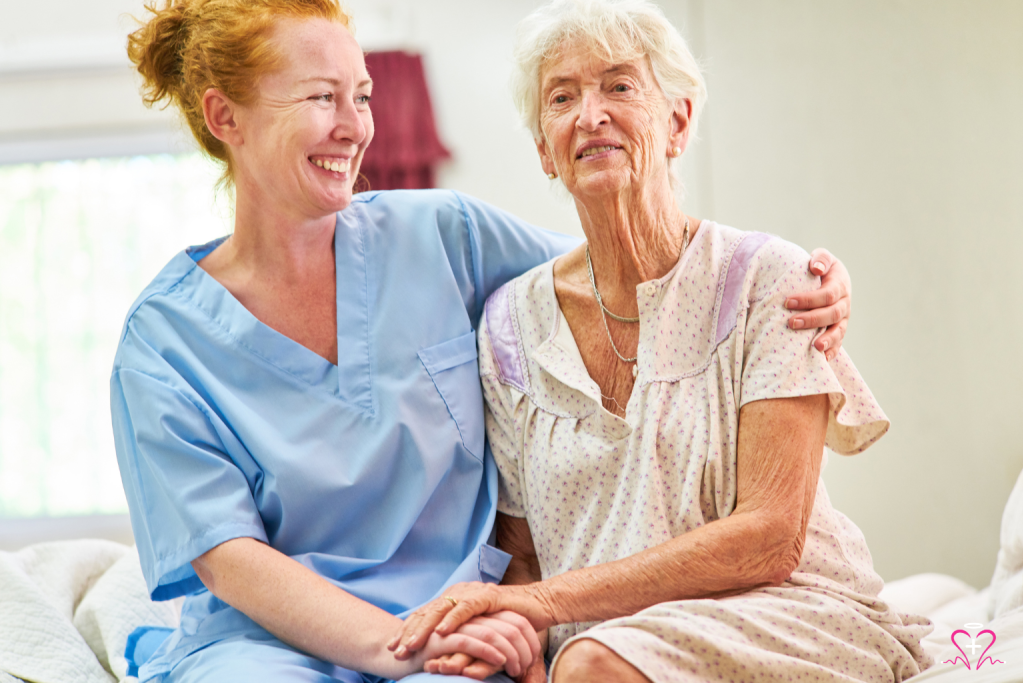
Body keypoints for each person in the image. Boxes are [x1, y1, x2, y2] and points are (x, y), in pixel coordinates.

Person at [112, 0, 853, 681]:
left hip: (462, 627)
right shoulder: (165, 342)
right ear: (225, 117)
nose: (354, 125)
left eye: (362, 96)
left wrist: (807, 279)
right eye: (320, 98)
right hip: (269, 644)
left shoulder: (445, 237)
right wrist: (398, 644)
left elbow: (642, 267)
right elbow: (229, 557)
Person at [391, 1, 932, 682]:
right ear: (543, 150)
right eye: (562, 97)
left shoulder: (773, 280)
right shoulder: (508, 326)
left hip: (785, 611)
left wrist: (539, 604)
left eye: (619, 86)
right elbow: (521, 551)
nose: (591, 114)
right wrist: (521, 641)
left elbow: (771, 536)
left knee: (592, 663)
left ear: (677, 122)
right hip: (606, 640)